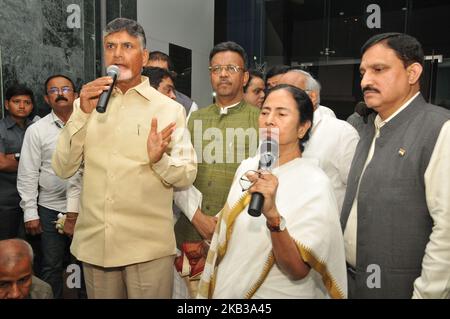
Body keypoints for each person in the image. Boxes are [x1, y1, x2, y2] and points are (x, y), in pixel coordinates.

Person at [51, 18, 197, 299]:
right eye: (110, 46)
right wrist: (81, 112)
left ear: (143, 57)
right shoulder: (89, 103)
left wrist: (159, 160)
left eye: (127, 46)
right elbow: (63, 167)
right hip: (96, 245)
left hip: (146, 248)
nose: (117, 54)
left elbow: (186, 174)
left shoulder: (168, 109)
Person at [198, 85, 347, 299]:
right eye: (265, 111)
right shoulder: (248, 167)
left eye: (281, 113)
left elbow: (297, 270)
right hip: (231, 290)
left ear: (302, 128)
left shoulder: (314, 183)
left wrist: (273, 217)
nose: (269, 120)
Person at [341, 33, 450, 298]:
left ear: (412, 73)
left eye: (379, 70)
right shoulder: (369, 128)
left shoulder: (440, 129)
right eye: (363, 72)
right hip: (349, 283)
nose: (366, 81)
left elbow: (446, 231)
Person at [173, 41, 260, 298]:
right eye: (216, 68)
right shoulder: (195, 118)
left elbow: (263, 175)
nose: (223, 74)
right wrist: (197, 216)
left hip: (238, 232)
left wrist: (223, 219)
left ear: (244, 77)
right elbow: (178, 172)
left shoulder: (262, 119)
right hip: (191, 229)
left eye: (231, 68)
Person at [17, 75, 77, 299]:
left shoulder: (90, 126)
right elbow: (28, 173)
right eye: (53, 90)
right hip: (49, 209)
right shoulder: (37, 130)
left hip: (84, 209)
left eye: (65, 89)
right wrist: (30, 212)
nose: (60, 93)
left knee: (80, 263)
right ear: (46, 98)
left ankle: (76, 296)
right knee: (51, 265)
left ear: (76, 95)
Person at [279, 70, 359, 212]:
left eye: (289, 92)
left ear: (312, 96)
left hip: (321, 226)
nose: (279, 98)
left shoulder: (342, 133)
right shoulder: (272, 131)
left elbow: (356, 192)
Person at [0, 85, 34, 240]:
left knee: (35, 248)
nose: (22, 106)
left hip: (34, 200)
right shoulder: (1, 129)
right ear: (7, 104)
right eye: (17, 101)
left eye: (27, 102)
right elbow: (2, 163)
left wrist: (14, 157)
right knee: (7, 245)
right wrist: (32, 163)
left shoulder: (36, 128)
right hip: (7, 201)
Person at [147, 51, 198, 118]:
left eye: (162, 73)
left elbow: (197, 127)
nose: (155, 76)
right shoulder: (132, 97)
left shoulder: (189, 106)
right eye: (150, 72)